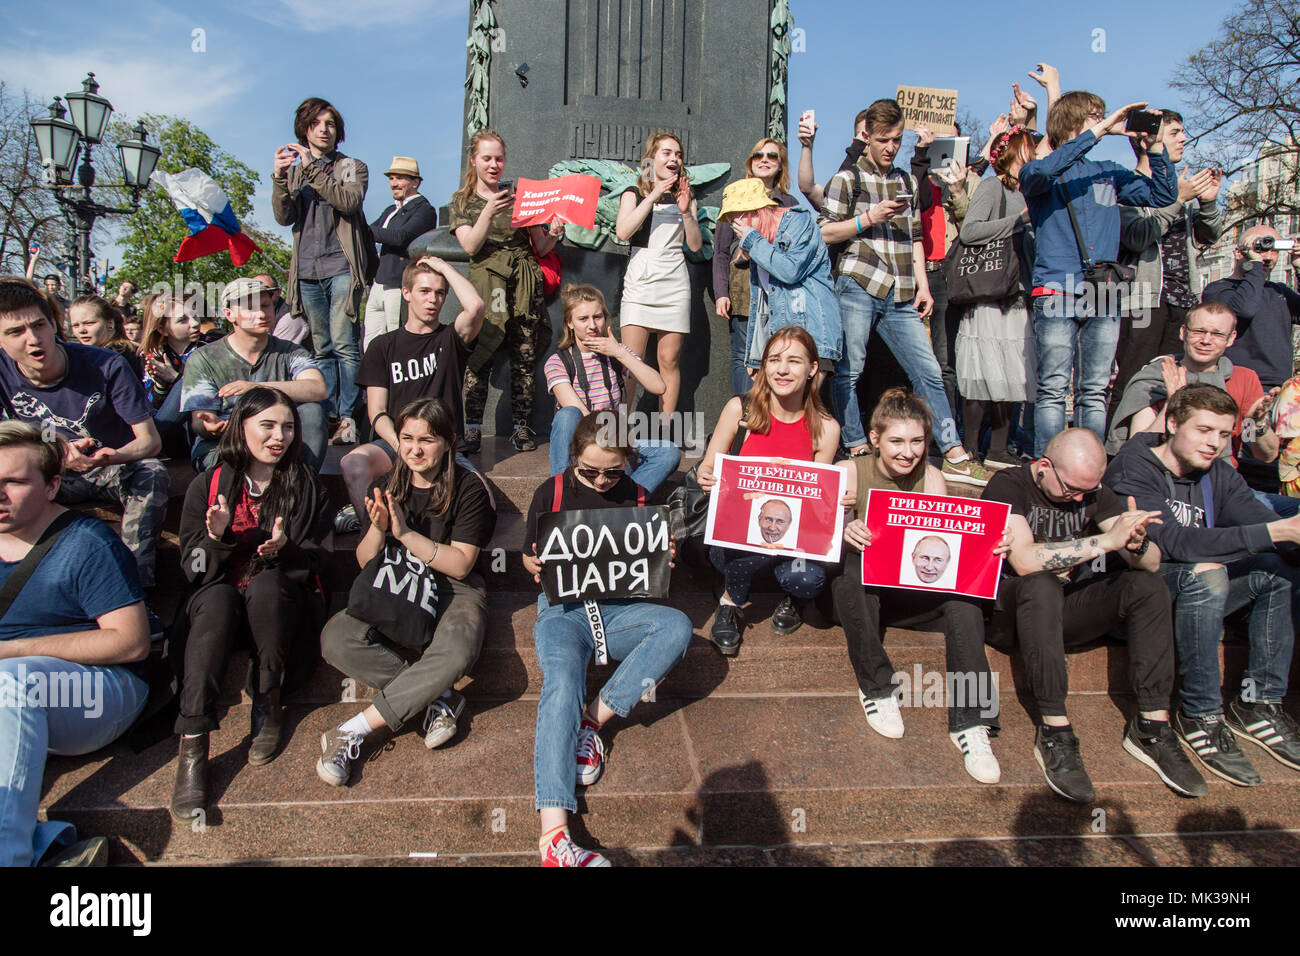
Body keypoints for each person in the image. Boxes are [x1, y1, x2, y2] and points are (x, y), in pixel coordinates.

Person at [983, 427, 1206, 802]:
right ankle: (1055, 730)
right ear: (1043, 467)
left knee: (1147, 587)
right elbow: (1022, 561)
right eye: (1071, 489)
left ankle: (1152, 726)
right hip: (1011, 613)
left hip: (1063, 612)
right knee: (1041, 584)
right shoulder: (1009, 485)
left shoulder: (1094, 492)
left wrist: (1137, 543)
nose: (1080, 498)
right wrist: (1106, 541)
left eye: (1088, 491)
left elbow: (1151, 565)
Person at [1105, 383, 1300, 786]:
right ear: (1173, 423)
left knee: (1276, 571)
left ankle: (1258, 703)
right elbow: (1177, 542)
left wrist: (1289, 536)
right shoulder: (1132, 468)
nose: (1214, 444)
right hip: (1137, 601)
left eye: (1224, 435)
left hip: (1197, 598)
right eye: (1204, 430)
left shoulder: (1217, 474)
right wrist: (1278, 530)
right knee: (1208, 571)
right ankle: (1200, 714)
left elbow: (1255, 523)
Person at [521, 410, 693, 866]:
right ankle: (554, 839)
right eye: (590, 470)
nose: (600, 480)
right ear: (573, 457)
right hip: (564, 610)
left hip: (618, 610)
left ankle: (591, 722)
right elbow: (528, 557)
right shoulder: (552, 491)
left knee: (676, 626)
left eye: (612, 471)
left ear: (629, 462)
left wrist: (662, 557)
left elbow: (644, 572)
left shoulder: (637, 495)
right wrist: (531, 564)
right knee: (560, 681)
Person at [825, 388, 1004, 783]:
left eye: (918, 441)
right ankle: (878, 688)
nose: (908, 453)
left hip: (909, 593)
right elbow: (813, 534)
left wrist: (991, 547)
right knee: (852, 566)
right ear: (874, 439)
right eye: (897, 441)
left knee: (965, 601)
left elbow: (945, 551)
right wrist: (843, 526)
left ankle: (971, 724)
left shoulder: (933, 478)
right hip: (856, 596)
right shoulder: (850, 471)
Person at [170, 387, 331, 823]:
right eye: (268, 425)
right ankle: (194, 745)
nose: (279, 436)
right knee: (218, 599)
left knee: (265, 585)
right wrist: (216, 539)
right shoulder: (210, 484)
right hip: (218, 611)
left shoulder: (304, 483)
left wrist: (285, 549)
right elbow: (193, 569)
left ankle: (267, 699)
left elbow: (320, 561)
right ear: (242, 427)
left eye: (288, 427)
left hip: (277, 612)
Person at [318, 398, 496, 786]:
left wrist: (405, 535)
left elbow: (462, 564)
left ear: (449, 441)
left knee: (458, 651)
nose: (415, 449)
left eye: (427, 440)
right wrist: (379, 530)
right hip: (399, 582)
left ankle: (351, 731)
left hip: (456, 588)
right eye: (407, 438)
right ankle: (436, 698)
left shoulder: (470, 489)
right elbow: (367, 561)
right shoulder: (386, 484)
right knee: (335, 637)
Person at [0, 421, 150, 867]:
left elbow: (130, 642)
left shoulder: (87, 542)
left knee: (11, 683)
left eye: (14, 482)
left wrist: (10, 653)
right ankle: (46, 844)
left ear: (52, 486)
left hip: (96, 690)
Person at [817, 99, 989, 485]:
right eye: (883, 140)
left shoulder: (907, 180)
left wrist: (923, 285)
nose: (891, 147)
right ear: (866, 137)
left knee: (928, 370)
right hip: (858, 283)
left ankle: (954, 452)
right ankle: (857, 443)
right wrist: (868, 218)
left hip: (900, 293)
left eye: (896, 140)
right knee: (850, 370)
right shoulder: (847, 179)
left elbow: (914, 238)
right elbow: (824, 232)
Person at [1019, 93, 1177, 454]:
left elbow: (1163, 194)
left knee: (1094, 389)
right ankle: (1050, 462)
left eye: (1104, 117)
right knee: (1054, 388)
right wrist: (1099, 131)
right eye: (1095, 116)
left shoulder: (1107, 170)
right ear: (1072, 123)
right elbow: (1039, 172)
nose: (1106, 123)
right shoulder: (1040, 170)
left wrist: (1153, 149)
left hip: (1103, 289)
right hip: (1057, 286)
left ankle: (1089, 463)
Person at [0, 278, 168, 588]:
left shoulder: (106, 364)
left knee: (151, 471)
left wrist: (112, 456)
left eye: (39, 325)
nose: (33, 339)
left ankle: (132, 588)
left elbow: (150, 441)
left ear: (54, 324)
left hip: (107, 467)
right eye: (15, 332)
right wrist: (52, 453)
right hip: (41, 472)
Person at [697, 326, 846, 654]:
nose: (782, 369)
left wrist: (839, 502)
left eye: (794, 361)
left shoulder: (826, 428)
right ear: (763, 366)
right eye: (774, 360)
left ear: (813, 369)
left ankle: (791, 599)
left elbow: (819, 504)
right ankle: (731, 602)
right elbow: (708, 467)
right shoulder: (741, 410)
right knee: (730, 552)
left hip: (793, 538)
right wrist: (707, 478)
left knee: (807, 580)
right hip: (740, 536)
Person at [339, 257, 484, 528]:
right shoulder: (382, 346)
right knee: (353, 464)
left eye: (440, 293)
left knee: (484, 500)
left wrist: (445, 267)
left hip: (442, 447)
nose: (433, 300)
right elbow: (377, 412)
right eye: (425, 291)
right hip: (395, 443)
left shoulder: (451, 339)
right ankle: (373, 535)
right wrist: (401, 446)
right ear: (406, 293)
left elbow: (475, 306)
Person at [450, 128, 563, 453]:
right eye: (486, 158)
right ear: (474, 160)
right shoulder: (462, 201)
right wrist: (489, 210)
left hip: (523, 286)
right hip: (488, 286)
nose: (494, 164)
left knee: (524, 360)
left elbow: (540, 247)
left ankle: (521, 429)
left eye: (499, 158)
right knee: (480, 358)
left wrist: (552, 232)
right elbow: (471, 245)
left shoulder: (520, 196)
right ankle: (471, 430)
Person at [1109, 111, 1224, 427]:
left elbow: (1207, 238)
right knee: (1132, 380)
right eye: (1175, 132)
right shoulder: (1128, 187)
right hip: (1143, 300)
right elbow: (1136, 236)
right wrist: (1177, 201)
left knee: (1176, 385)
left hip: (1184, 302)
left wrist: (1209, 204)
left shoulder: (1179, 188)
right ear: (1149, 140)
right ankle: (1113, 457)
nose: (1184, 138)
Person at [271, 96, 369, 446]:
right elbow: (284, 217)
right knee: (322, 346)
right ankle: (327, 415)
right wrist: (280, 177)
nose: (324, 129)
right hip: (308, 271)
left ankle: (348, 416)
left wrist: (312, 166)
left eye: (330, 123)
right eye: (317, 123)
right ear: (304, 128)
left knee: (345, 345)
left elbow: (349, 202)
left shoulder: (351, 166)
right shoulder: (295, 170)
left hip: (342, 266)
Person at [1107, 303, 1281, 496]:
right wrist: (1174, 401)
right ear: (1183, 332)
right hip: (1167, 487)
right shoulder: (1159, 377)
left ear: (1231, 339)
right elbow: (1139, 449)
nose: (1206, 340)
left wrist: (1257, 424)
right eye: (1199, 331)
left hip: (1225, 487)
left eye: (1217, 334)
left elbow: (1262, 455)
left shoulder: (1244, 379)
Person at [178, 277, 329, 472]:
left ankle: (303, 488)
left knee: (312, 412)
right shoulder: (204, 358)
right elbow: (200, 420)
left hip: (278, 441)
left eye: (266, 305)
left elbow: (318, 389)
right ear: (229, 314)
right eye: (251, 308)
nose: (261, 313)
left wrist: (255, 387)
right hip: (227, 443)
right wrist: (209, 425)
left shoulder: (291, 352)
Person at [956, 125, 1038, 467]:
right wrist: (1016, 221)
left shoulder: (1033, 191)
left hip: (1019, 293)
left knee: (1012, 374)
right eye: (1027, 151)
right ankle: (971, 448)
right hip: (990, 293)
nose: (1032, 157)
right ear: (1011, 155)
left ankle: (998, 450)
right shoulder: (992, 187)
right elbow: (969, 231)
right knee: (980, 373)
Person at [543, 283, 680, 490]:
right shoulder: (558, 361)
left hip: (615, 445)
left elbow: (659, 386)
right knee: (567, 415)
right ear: (570, 323)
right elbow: (579, 412)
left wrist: (620, 353)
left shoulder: (617, 354)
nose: (592, 325)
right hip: (581, 448)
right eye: (583, 319)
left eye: (597, 317)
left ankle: (625, 500)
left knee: (668, 452)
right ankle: (564, 493)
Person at [1203, 225, 1300, 496]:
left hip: (1277, 394)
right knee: (1245, 459)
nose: (1267, 253)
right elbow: (1244, 309)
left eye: (1273, 247)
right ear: (1239, 252)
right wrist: (1254, 266)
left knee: (1272, 463)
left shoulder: (1279, 291)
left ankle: (1271, 522)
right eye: (1260, 245)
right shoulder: (1219, 290)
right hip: (1242, 392)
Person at [615, 131, 703, 420]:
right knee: (630, 361)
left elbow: (694, 245)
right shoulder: (633, 192)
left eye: (678, 154)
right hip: (641, 281)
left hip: (674, 283)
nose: (674, 159)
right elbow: (623, 232)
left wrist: (686, 211)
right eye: (667, 153)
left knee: (669, 360)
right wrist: (653, 193)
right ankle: (620, 432)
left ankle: (665, 432)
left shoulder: (687, 197)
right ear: (652, 159)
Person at [718, 178, 842, 384]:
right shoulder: (761, 244)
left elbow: (790, 270)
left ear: (757, 210)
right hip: (781, 344)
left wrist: (751, 239)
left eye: (737, 220)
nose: (737, 229)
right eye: (732, 223)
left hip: (813, 338)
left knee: (805, 408)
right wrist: (756, 356)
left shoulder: (798, 222)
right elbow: (763, 307)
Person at [713, 138, 800, 396]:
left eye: (772, 156)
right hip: (743, 287)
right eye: (758, 155)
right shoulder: (735, 195)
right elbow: (719, 251)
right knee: (743, 354)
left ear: (780, 164)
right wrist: (721, 292)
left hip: (778, 286)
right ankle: (744, 417)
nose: (764, 159)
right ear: (750, 162)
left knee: (777, 352)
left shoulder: (789, 203)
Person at [365, 156, 438, 350]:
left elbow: (401, 237)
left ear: (415, 182)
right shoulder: (391, 210)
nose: (394, 183)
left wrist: (363, 230)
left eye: (400, 178)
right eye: (391, 178)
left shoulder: (424, 209)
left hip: (399, 284)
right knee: (371, 345)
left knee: (395, 342)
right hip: (379, 283)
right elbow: (371, 233)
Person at [140, 288, 203, 458]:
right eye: (183, 320)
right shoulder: (152, 356)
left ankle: (146, 445)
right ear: (163, 329)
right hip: (168, 436)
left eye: (195, 316)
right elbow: (148, 407)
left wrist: (176, 379)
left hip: (198, 429)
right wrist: (161, 386)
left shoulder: (210, 348)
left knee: (185, 384)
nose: (195, 323)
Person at [67, 294, 144, 381]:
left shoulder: (120, 355)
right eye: (75, 325)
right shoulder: (82, 355)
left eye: (89, 323)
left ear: (110, 323)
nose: (81, 330)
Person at [255, 272, 310, 348]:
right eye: (255, 293)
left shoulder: (289, 317)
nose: (261, 296)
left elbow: (275, 354)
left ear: (279, 292)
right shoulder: (252, 316)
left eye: (268, 291)